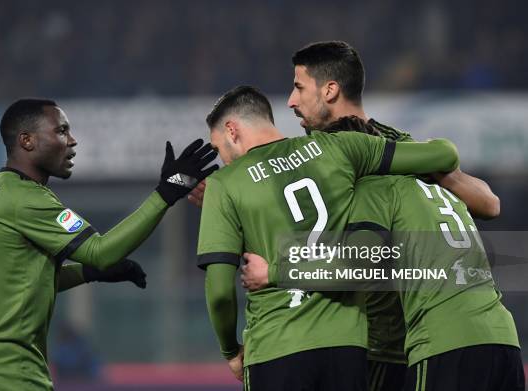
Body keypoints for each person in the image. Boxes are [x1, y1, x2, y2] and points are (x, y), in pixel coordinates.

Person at [197, 86, 460, 391]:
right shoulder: (339, 149)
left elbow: (218, 291)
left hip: (275, 344)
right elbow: (444, 154)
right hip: (347, 348)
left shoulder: (226, 183)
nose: (224, 160)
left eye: (218, 150)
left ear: (232, 130)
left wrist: (231, 351)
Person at [0, 98, 218, 391]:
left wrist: (89, 273)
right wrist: (166, 193)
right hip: (8, 369)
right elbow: (99, 252)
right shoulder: (27, 199)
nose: (72, 141)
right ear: (27, 140)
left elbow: (17, 281)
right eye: (61, 131)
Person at [240, 131, 524, 390]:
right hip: (502, 336)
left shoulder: (374, 188)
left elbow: (358, 267)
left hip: (443, 341)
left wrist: (274, 272)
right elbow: (489, 202)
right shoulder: (436, 186)